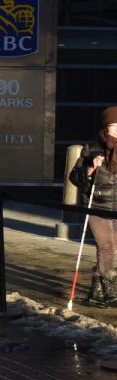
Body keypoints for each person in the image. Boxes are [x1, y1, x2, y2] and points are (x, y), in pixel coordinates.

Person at [70, 106, 117, 307]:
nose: (116, 131)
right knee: (106, 247)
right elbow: (74, 177)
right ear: (105, 128)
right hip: (98, 206)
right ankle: (109, 291)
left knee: (114, 250)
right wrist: (90, 168)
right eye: (113, 127)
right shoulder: (92, 149)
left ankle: (95, 291)